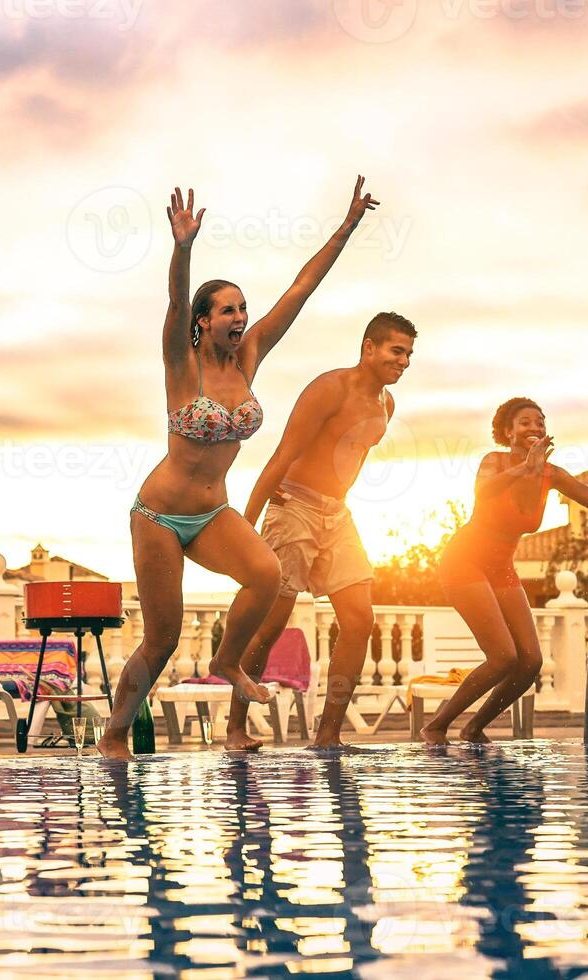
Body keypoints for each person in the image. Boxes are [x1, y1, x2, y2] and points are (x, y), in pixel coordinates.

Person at [97, 179, 380, 761]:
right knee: (163, 637)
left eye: (243, 309)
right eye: (228, 310)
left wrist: (347, 227)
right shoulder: (183, 362)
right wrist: (182, 248)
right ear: (203, 322)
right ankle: (116, 734)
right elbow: (176, 302)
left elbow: (301, 290)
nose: (240, 317)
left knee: (267, 574)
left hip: (212, 512)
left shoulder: (248, 356)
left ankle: (228, 659)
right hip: (160, 514)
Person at [225, 313, 416, 750]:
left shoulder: (386, 404)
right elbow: (281, 455)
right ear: (368, 347)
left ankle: (327, 736)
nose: (403, 361)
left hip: (338, 514)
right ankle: (236, 730)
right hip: (294, 505)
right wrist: (245, 529)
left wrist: (339, 503)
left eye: (408, 354)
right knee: (270, 623)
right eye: (395, 351)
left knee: (360, 619)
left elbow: (355, 458)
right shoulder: (329, 388)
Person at [420, 398, 588, 745]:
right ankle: (436, 726)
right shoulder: (493, 462)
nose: (534, 428)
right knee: (503, 657)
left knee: (530, 661)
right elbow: (484, 490)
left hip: (500, 569)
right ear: (507, 431)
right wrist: (524, 468)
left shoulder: (550, 474)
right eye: (525, 422)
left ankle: (474, 727)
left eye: (539, 422)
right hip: (463, 561)